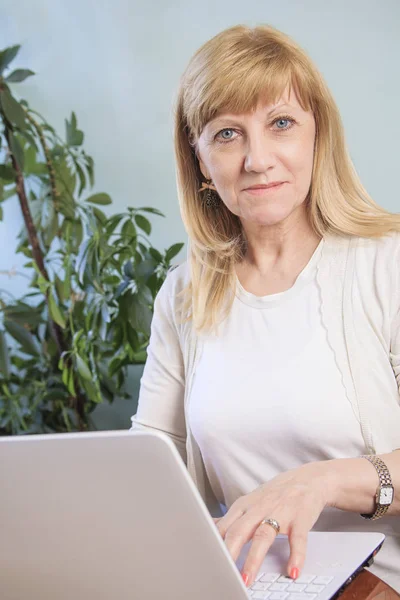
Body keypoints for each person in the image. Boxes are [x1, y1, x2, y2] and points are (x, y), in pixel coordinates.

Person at [130, 24, 400, 591]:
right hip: (241, 584)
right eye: (227, 134)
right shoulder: (184, 293)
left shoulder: (388, 264)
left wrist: (321, 482)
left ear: (316, 136)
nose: (257, 159)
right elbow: (146, 468)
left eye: (281, 124)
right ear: (200, 161)